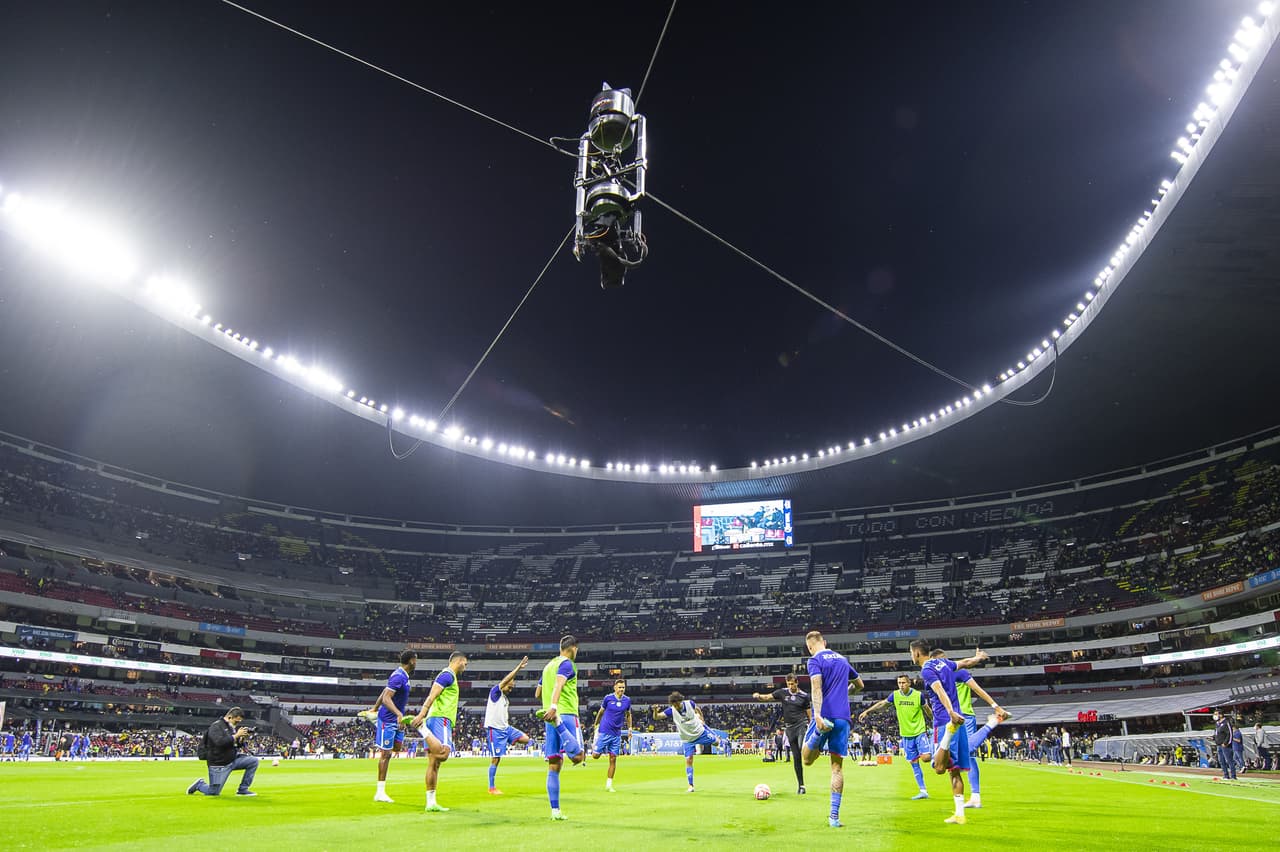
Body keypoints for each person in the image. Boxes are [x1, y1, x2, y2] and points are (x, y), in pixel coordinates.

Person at [910, 640, 1003, 825]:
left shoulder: (927, 670)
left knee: (938, 768)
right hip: (958, 719)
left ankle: (949, 735)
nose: (911, 656)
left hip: (945, 722)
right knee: (954, 771)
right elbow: (966, 663)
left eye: (910, 652)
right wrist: (978, 657)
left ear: (917, 653)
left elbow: (939, 691)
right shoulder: (944, 663)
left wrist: (950, 712)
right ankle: (959, 814)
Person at [801, 630, 864, 828]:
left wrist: (818, 716)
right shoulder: (843, 660)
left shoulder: (814, 660)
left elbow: (816, 687)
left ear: (810, 647)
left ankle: (818, 733)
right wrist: (845, 693)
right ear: (825, 642)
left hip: (825, 715)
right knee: (837, 768)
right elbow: (860, 684)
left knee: (807, 759)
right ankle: (834, 817)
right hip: (843, 717)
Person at [409, 651, 469, 812]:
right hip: (440, 718)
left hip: (436, 718)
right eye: (465, 662)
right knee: (443, 754)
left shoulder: (449, 676)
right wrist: (422, 714)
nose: (466, 666)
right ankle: (421, 728)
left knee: (434, 763)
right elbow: (432, 695)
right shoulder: (447, 675)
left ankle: (431, 803)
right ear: (459, 661)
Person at [860, 674, 932, 800]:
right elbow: (882, 704)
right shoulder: (895, 695)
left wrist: (935, 722)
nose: (901, 685)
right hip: (906, 734)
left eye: (903, 682)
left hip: (919, 731)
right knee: (914, 763)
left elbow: (927, 709)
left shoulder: (918, 695)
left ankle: (938, 756)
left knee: (926, 758)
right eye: (899, 683)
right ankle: (923, 791)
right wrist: (868, 711)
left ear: (909, 683)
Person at [951, 659, 1008, 809]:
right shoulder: (939, 676)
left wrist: (995, 706)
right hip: (951, 718)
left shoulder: (959, 673)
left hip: (965, 716)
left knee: (968, 751)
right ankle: (975, 797)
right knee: (967, 756)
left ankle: (992, 722)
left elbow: (977, 689)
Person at [540, 635, 587, 820]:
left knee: (554, 765)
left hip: (548, 717)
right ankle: (559, 724)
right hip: (564, 714)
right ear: (573, 648)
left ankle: (555, 811)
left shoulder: (548, 667)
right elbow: (559, 684)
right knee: (578, 756)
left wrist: (548, 706)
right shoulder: (567, 664)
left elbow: (538, 691)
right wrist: (554, 707)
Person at [752, 673, 812, 793]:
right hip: (789, 728)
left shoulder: (804, 696)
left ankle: (812, 750)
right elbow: (768, 697)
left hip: (801, 724)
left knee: (802, 747)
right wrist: (758, 696)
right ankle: (801, 786)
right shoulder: (782, 693)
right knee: (796, 758)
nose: (790, 686)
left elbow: (809, 713)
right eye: (788, 684)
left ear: (797, 683)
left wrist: (811, 726)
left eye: (792, 684)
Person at [652, 691, 723, 792]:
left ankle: (723, 743)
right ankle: (691, 785)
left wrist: (701, 718)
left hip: (699, 732)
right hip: (687, 739)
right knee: (689, 760)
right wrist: (655, 710)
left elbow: (698, 709)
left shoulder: (690, 703)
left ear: (680, 701)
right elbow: (657, 717)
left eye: (677, 704)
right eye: (674, 705)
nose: (676, 706)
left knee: (716, 742)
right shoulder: (671, 710)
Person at [372, 650, 418, 803]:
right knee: (386, 754)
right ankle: (380, 792)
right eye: (416, 660)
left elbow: (384, 692)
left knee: (397, 749)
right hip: (388, 720)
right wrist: (398, 713)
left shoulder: (403, 676)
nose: (416, 663)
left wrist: (374, 708)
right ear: (411, 661)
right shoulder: (398, 676)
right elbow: (386, 697)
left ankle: (377, 721)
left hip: (398, 720)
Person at [187, 707, 259, 797]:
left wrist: (241, 739)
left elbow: (234, 745)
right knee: (213, 792)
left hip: (232, 759)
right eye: (236, 721)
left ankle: (243, 789)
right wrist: (236, 735)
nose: (237, 724)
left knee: (253, 761)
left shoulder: (230, 728)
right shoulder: (216, 726)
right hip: (219, 763)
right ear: (230, 717)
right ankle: (200, 785)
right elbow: (219, 743)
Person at [485, 655, 531, 794]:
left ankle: (508, 742)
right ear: (504, 684)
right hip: (495, 730)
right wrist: (519, 668)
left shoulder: (505, 699)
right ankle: (491, 788)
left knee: (526, 739)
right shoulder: (495, 692)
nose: (510, 690)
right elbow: (506, 680)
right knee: (496, 759)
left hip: (506, 729)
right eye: (509, 687)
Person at [591, 678, 633, 792]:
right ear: (615, 688)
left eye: (623, 687)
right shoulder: (608, 698)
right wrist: (596, 724)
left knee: (613, 759)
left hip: (616, 733)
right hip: (605, 730)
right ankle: (595, 744)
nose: (621, 689)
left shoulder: (627, 700)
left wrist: (630, 728)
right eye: (619, 687)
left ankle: (609, 785)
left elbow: (628, 714)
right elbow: (601, 712)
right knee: (595, 756)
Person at [1213, 711, 1236, 779]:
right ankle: (1226, 775)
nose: (1215, 715)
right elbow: (1217, 733)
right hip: (1219, 745)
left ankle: (1233, 776)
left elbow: (1230, 734)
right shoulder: (1217, 723)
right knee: (1221, 761)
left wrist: (1226, 743)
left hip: (1225, 746)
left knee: (1229, 760)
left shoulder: (1226, 723)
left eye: (1216, 714)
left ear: (1221, 715)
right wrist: (1213, 738)